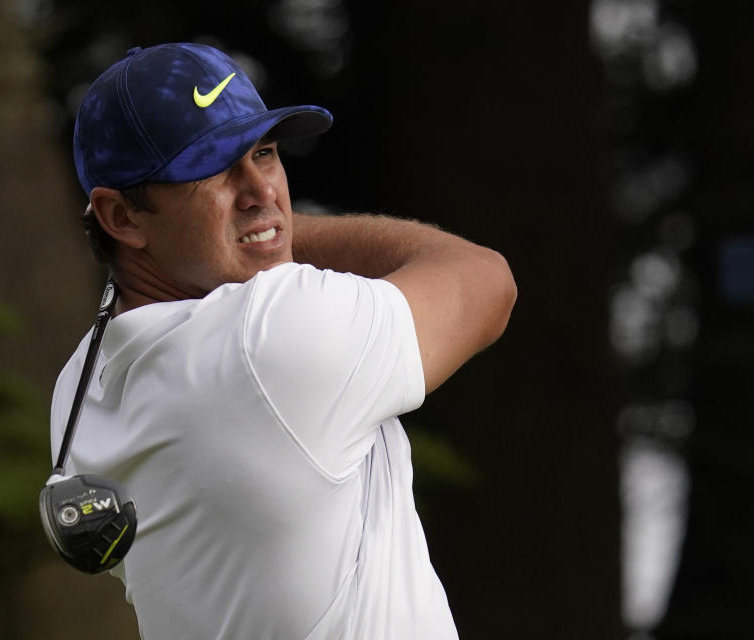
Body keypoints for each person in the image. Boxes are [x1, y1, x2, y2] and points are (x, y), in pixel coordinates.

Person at [51, 42, 516, 639]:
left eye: (264, 154)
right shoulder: (267, 336)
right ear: (121, 218)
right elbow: (486, 282)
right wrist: (275, 232)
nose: (259, 189)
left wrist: (251, 232)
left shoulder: (78, 389)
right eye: (213, 168)